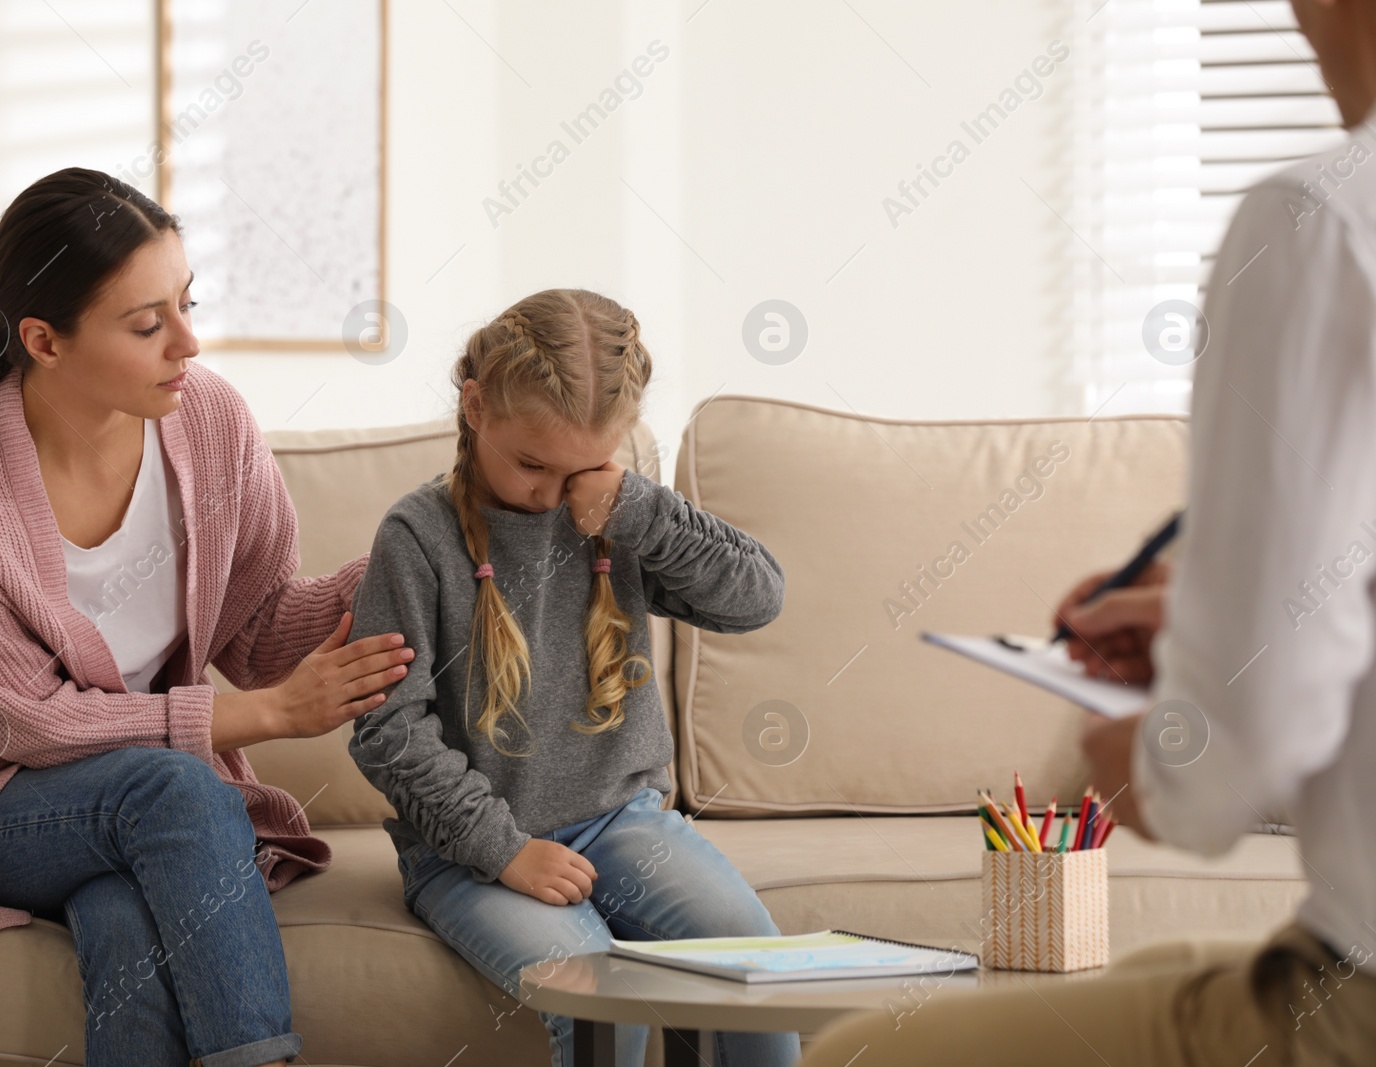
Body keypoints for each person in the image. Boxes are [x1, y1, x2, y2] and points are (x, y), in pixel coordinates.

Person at [801, 1, 1376, 1063]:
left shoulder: (1321, 222)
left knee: (854, 1053)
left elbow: (1246, 743)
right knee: (1157, 973)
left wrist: (1151, 759)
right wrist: (1203, 616)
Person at [0, 167, 414, 1066]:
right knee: (177, 789)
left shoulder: (212, 420)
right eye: (148, 324)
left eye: (188, 302)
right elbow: (31, 721)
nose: (189, 341)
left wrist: (415, 552)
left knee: (124, 914)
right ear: (44, 340)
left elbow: (259, 628)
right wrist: (267, 716)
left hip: (136, 812)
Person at [345, 288, 801, 1067]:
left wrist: (641, 510)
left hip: (621, 820)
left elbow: (757, 597)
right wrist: (504, 849)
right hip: (472, 850)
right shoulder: (415, 537)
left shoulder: (618, 513)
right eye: (531, 465)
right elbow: (387, 730)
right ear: (476, 404)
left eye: (582, 466)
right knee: (602, 1004)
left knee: (757, 976)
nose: (554, 493)